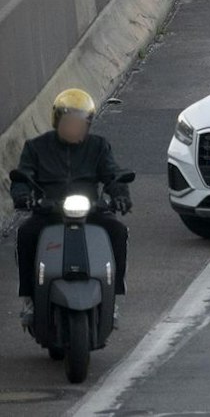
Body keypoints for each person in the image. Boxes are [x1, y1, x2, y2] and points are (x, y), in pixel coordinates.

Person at [11, 89, 130, 325]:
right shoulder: (36, 147)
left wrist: (120, 195)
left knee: (118, 231)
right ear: (57, 121)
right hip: (49, 211)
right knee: (25, 234)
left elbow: (112, 174)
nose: (75, 128)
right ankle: (29, 298)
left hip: (91, 211)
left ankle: (113, 296)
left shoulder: (98, 146)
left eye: (81, 123)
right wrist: (24, 197)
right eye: (70, 122)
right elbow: (22, 177)